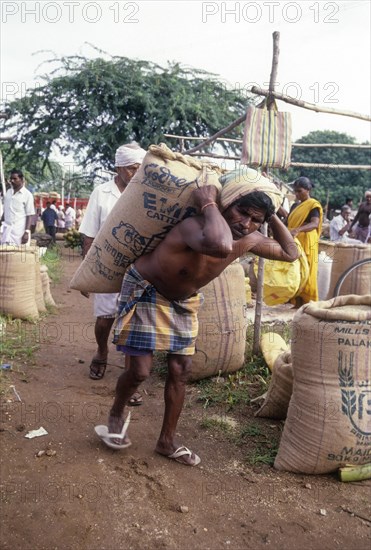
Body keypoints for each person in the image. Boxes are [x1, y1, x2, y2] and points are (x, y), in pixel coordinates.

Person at [98, 168, 298, 466]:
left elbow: (290, 252)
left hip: (183, 301)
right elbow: (220, 245)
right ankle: (116, 412)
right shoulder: (193, 226)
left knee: (181, 369)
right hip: (147, 290)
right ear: (226, 204)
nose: (246, 224)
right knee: (140, 371)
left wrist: (273, 216)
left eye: (255, 219)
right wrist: (208, 203)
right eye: (242, 213)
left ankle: (166, 442)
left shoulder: (250, 237)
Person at [79, 142, 146, 393]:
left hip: (138, 265)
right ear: (118, 167)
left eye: (140, 168)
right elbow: (88, 234)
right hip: (107, 263)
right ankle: (102, 350)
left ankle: (131, 380)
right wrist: (89, 273)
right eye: (131, 168)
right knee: (105, 317)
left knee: (133, 320)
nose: (135, 173)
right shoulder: (102, 192)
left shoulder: (145, 192)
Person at [285, 177, 323, 306]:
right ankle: (296, 301)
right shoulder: (295, 205)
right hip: (294, 241)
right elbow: (287, 221)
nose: (297, 194)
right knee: (295, 271)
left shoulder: (313, 205)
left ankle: (308, 302)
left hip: (307, 241)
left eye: (299, 191)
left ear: (308, 190)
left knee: (307, 272)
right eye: (295, 191)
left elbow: (314, 223)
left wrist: (297, 230)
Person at [0, 169, 35, 245]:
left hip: (19, 233)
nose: (12, 181)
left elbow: (29, 215)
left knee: (18, 255)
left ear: (22, 179)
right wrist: (1, 221)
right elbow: (6, 210)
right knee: (5, 254)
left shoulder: (27, 195)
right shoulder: (8, 192)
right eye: (11, 179)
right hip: (7, 231)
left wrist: (26, 232)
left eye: (15, 179)